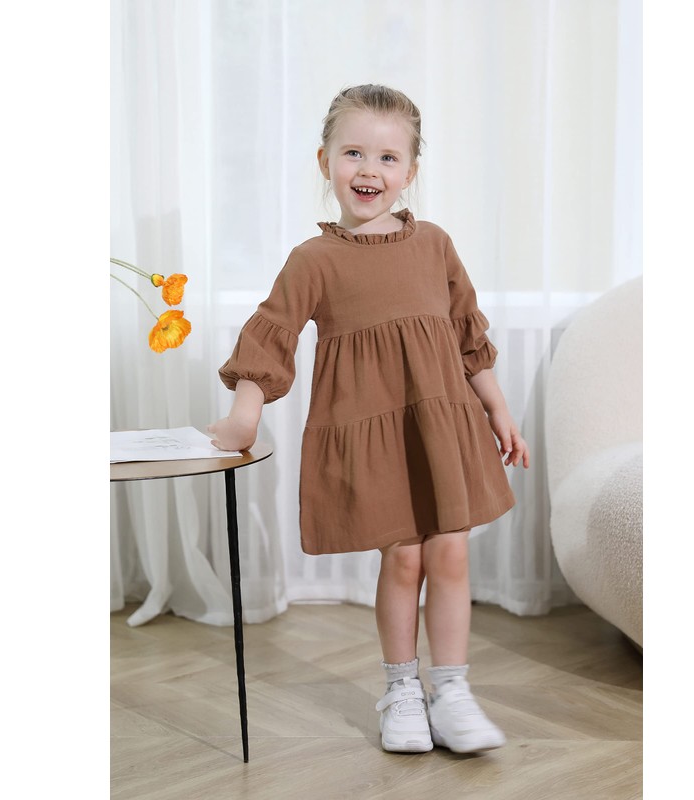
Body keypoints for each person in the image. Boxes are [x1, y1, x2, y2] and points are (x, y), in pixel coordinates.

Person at [209, 84, 530, 755]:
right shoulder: (314, 260)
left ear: (410, 171)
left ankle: (453, 691)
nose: (369, 170)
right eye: (353, 152)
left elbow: (468, 337)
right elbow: (270, 335)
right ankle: (402, 690)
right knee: (404, 557)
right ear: (324, 161)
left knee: (450, 551)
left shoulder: (435, 245)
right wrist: (243, 413)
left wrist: (499, 409)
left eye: (388, 157)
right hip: (377, 434)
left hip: (442, 427)